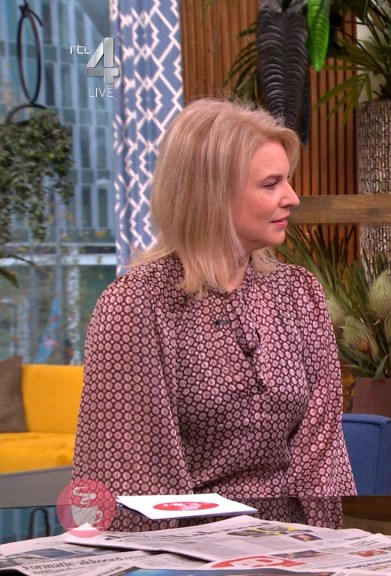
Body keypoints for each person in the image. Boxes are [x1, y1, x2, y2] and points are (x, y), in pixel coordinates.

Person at [72, 98, 355, 530]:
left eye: (288, 181)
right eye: (271, 184)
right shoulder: (136, 304)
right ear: (211, 195)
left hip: (292, 539)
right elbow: (130, 478)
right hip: (185, 541)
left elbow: (321, 454)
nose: (292, 198)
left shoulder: (299, 293)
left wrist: (326, 547)